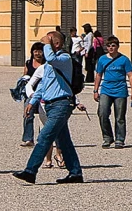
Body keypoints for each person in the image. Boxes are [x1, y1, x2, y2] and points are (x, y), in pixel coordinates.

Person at [14, 30, 84, 184]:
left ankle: (30, 171)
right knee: (64, 141)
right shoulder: (48, 65)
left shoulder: (64, 58)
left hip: (62, 104)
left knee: (44, 137)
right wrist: (32, 101)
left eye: (48, 41)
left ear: (56, 43)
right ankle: (75, 173)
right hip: (51, 105)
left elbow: (51, 58)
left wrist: (47, 43)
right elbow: (43, 85)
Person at [94, 35, 132, 148]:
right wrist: (95, 90)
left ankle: (120, 139)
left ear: (117, 47)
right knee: (102, 113)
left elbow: (130, 75)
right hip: (106, 90)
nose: (111, 48)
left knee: (120, 117)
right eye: (109, 46)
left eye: (113, 45)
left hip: (120, 90)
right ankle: (107, 137)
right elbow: (98, 75)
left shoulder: (124, 59)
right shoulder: (102, 59)